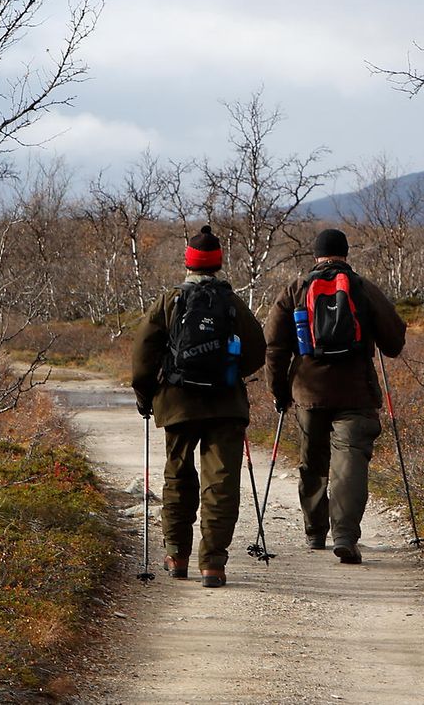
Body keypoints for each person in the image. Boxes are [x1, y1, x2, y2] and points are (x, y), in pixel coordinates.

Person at [131, 226, 265, 588]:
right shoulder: (231, 304)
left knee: (177, 476)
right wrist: (230, 372)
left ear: (188, 263)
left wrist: (146, 395)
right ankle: (214, 564)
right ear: (218, 264)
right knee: (221, 482)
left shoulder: (169, 301)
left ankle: (177, 555)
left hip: (177, 402)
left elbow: (143, 356)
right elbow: (257, 352)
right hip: (226, 403)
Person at [263, 228, 407, 564]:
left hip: (308, 392)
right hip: (356, 393)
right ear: (345, 253)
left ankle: (315, 533)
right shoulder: (363, 288)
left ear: (315, 255)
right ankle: (344, 535)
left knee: (313, 462)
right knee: (350, 463)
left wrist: (279, 392)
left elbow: (274, 345)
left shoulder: (295, 290)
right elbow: (394, 343)